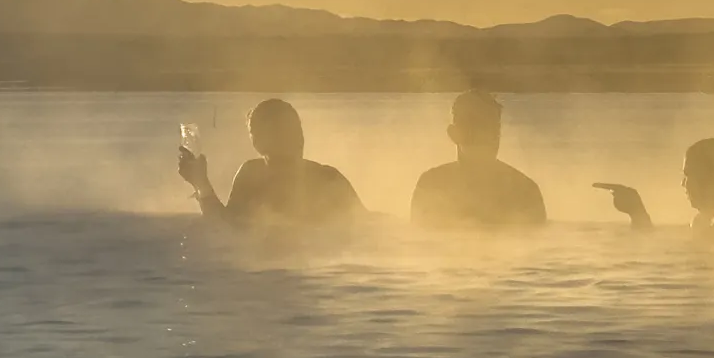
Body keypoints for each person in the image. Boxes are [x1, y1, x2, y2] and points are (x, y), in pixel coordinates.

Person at [177, 99, 366, 231]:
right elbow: (225, 229)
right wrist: (200, 183)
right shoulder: (252, 175)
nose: (291, 137)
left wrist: (202, 184)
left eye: (290, 130)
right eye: (280, 131)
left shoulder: (327, 180)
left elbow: (227, 231)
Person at [410, 90, 547, 228]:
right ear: (454, 134)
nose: (485, 139)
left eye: (492, 131)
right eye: (475, 131)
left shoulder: (524, 191)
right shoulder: (432, 185)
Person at [596, 138, 714, 240]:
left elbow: (670, 257)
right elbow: (666, 248)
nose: (683, 184)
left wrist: (638, 214)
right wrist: (637, 213)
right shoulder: (708, 220)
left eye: (688, 175)